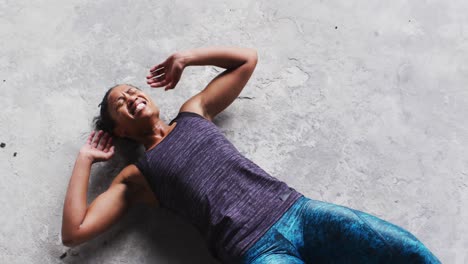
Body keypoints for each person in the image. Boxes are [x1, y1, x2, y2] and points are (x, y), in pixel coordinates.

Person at [61, 47, 440, 263]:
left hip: (299, 212)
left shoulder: (193, 113)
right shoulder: (136, 176)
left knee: (409, 252)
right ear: (121, 131)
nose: (130, 98)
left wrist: (187, 58)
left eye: (131, 91)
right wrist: (84, 159)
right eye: (120, 104)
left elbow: (246, 61)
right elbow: (74, 233)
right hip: (254, 251)